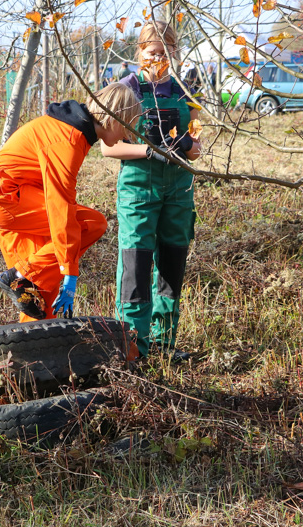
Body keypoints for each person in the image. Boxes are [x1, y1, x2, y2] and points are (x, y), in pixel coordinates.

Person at [0, 83, 141, 322]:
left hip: (12, 198)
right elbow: (60, 204)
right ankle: (17, 274)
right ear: (114, 118)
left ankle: (29, 356)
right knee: (92, 223)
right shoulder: (67, 138)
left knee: (37, 292)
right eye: (127, 126)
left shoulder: (74, 132)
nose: (127, 136)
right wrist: (70, 272)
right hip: (8, 198)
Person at [103, 20, 203, 361]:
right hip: (138, 191)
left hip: (178, 189)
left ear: (175, 53)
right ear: (139, 52)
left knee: (172, 266)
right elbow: (108, 147)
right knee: (136, 268)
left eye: (166, 51)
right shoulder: (126, 89)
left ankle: (164, 345)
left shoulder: (183, 90)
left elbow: (196, 144)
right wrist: (149, 151)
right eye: (152, 51)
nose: (158, 57)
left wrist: (191, 147)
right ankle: (133, 349)